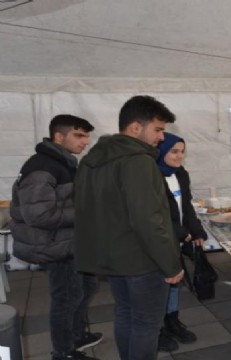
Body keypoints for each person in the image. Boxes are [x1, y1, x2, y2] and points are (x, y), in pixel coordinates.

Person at [74, 95, 184, 360]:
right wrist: (171, 264)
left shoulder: (92, 159)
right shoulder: (138, 160)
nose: (160, 137)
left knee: (126, 315)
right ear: (136, 127)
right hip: (143, 260)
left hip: (113, 257)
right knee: (147, 324)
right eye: (157, 129)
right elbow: (148, 219)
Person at [10, 115, 101, 360]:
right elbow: (38, 215)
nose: (86, 142)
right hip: (54, 245)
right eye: (79, 135)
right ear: (59, 136)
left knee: (86, 286)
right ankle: (63, 351)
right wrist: (86, 212)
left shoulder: (64, 163)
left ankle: (77, 335)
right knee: (66, 297)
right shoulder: (42, 167)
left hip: (71, 241)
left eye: (87, 136)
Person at [155, 133, 205, 351]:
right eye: (174, 151)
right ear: (161, 151)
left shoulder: (180, 174)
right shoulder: (151, 176)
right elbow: (154, 214)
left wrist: (196, 231)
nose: (179, 156)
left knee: (174, 282)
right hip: (158, 239)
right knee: (158, 285)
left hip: (177, 238)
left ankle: (172, 320)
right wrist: (179, 231)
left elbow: (186, 206)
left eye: (182, 152)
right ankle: (156, 330)